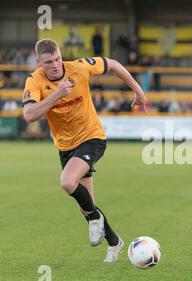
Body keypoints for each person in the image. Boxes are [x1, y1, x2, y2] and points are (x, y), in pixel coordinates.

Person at [22, 39, 146, 263]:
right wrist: (56, 95)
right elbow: (29, 115)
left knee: (67, 182)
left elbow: (114, 64)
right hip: (66, 146)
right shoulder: (34, 80)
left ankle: (95, 217)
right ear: (39, 61)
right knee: (85, 205)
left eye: (58, 59)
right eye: (49, 62)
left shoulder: (78, 67)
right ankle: (115, 242)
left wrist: (138, 90)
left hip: (92, 137)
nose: (56, 65)